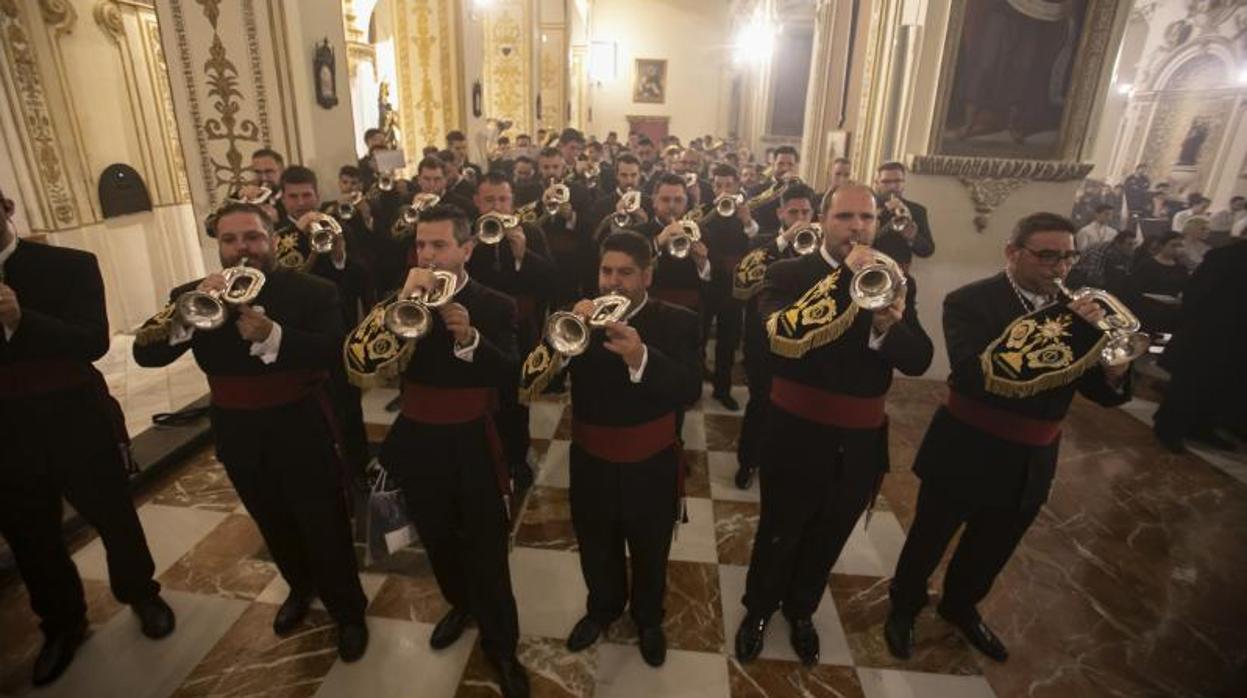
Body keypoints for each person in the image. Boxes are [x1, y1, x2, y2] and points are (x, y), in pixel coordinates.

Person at [884, 212, 1133, 664]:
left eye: (1068, 257)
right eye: (1047, 256)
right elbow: (973, 375)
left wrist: (1114, 373)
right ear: (1012, 253)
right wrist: (1064, 326)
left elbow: (1097, 392)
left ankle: (961, 605)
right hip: (968, 445)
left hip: (1034, 453)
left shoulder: (1084, 310)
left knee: (994, 544)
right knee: (929, 537)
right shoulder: (971, 302)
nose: (1059, 267)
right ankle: (904, 606)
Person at [134, 202, 369, 661]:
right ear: (219, 246)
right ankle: (300, 589)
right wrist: (185, 314)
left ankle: (349, 610)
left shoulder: (311, 290)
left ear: (273, 239)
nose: (243, 248)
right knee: (272, 521)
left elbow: (335, 352)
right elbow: (147, 356)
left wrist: (274, 335)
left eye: (253, 237)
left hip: (301, 426)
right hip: (238, 431)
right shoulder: (193, 293)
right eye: (230, 240)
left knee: (325, 525)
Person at [735, 184, 933, 666]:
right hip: (796, 432)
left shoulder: (897, 277)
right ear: (823, 220)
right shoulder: (788, 272)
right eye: (845, 216)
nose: (858, 226)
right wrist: (841, 281)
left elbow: (920, 360)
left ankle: (802, 609)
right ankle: (759, 609)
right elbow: (770, 344)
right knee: (781, 528)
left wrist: (889, 327)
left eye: (866, 218)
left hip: (861, 439)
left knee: (831, 532)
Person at [346, 204, 528, 697]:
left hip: (473, 437)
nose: (428, 254)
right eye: (422, 245)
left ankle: (502, 645)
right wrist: (395, 308)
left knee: (487, 547)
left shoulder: (494, 304)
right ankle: (460, 602)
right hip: (418, 437)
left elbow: (511, 374)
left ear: (466, 249)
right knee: (437, 536)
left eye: (439, 245)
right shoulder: (402, 299)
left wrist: (469, 337)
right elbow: (359, 361)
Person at [0, 190, 174, 687]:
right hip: (7, 433)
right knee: (30, 535)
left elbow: (93, 340)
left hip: (74, 419)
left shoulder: (70, 264)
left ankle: (141, 593)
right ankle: (62, 623)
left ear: (8, 208)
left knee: (114, 515)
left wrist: (20, 320)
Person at [519, 231, 700, 668]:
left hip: (651, 460)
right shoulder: (580, 319)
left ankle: (648, 618)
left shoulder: (676, 320)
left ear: (647, 276)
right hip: (591, 458)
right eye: (606, 271)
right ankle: (602, 609)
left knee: (650, 546)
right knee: (595, 543)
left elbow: (689, 389)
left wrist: (640, 356)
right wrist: (561, 342)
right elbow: (535, 379)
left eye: (625, 273)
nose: (613, 282)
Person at [732, 183, 816, 489]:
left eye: (805, 212)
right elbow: (744, 276)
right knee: (761, 404)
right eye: (793, 211)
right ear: (780, 212)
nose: (799, 218)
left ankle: (785, 463)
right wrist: (784, 241)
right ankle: (748, 462)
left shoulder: (822, 244)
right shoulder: (764, 241)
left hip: (806, 339)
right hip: (763, 340)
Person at [1153, 238, 1247, 452]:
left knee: (1218, 387)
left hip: (1237, 340)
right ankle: (1168, 429)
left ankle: (1201, 428)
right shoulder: (1225, 256)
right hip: (1208, 334)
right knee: (1188, 385)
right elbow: (1194, 293)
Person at [700, 163, 757, 410]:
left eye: (728, 185)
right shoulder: (705, 211)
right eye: (718, 185)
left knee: (728, 340)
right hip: (706, 285)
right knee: (699, 336)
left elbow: (757, 242)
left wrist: (746, 221)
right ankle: (695, 381)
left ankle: (722, 389)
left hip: (734, 287)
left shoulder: (746, 212)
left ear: (737, 185)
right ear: (712, 187)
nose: (723, 190)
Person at [632, 174, 711, 313]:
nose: (672, 205)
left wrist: (702, 263)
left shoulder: (700, 232)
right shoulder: (637, 233)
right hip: (649, 308)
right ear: (654, 202)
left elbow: (712, 280)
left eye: (678, 200)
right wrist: (658, 240)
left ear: (686, 202)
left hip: (689, 309)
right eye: (665, 199)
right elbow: (631, 267)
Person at [874, 161, 935, 260]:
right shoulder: (866, 207)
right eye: (886, 182)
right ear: (877, 183)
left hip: (898, 271)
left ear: (904, 183)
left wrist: (913, 237)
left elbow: (928, 251)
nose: (892, 187)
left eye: (898, 181)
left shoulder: (917, 210)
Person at [1067, 228, 1136, 291]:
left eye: (1134, 244)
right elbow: (1094, 277)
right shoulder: (1102, 251)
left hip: (1099, 279)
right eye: (1129, 244)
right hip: (1082, 277)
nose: (1132, 248)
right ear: (1118, 244)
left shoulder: (1126, 254)